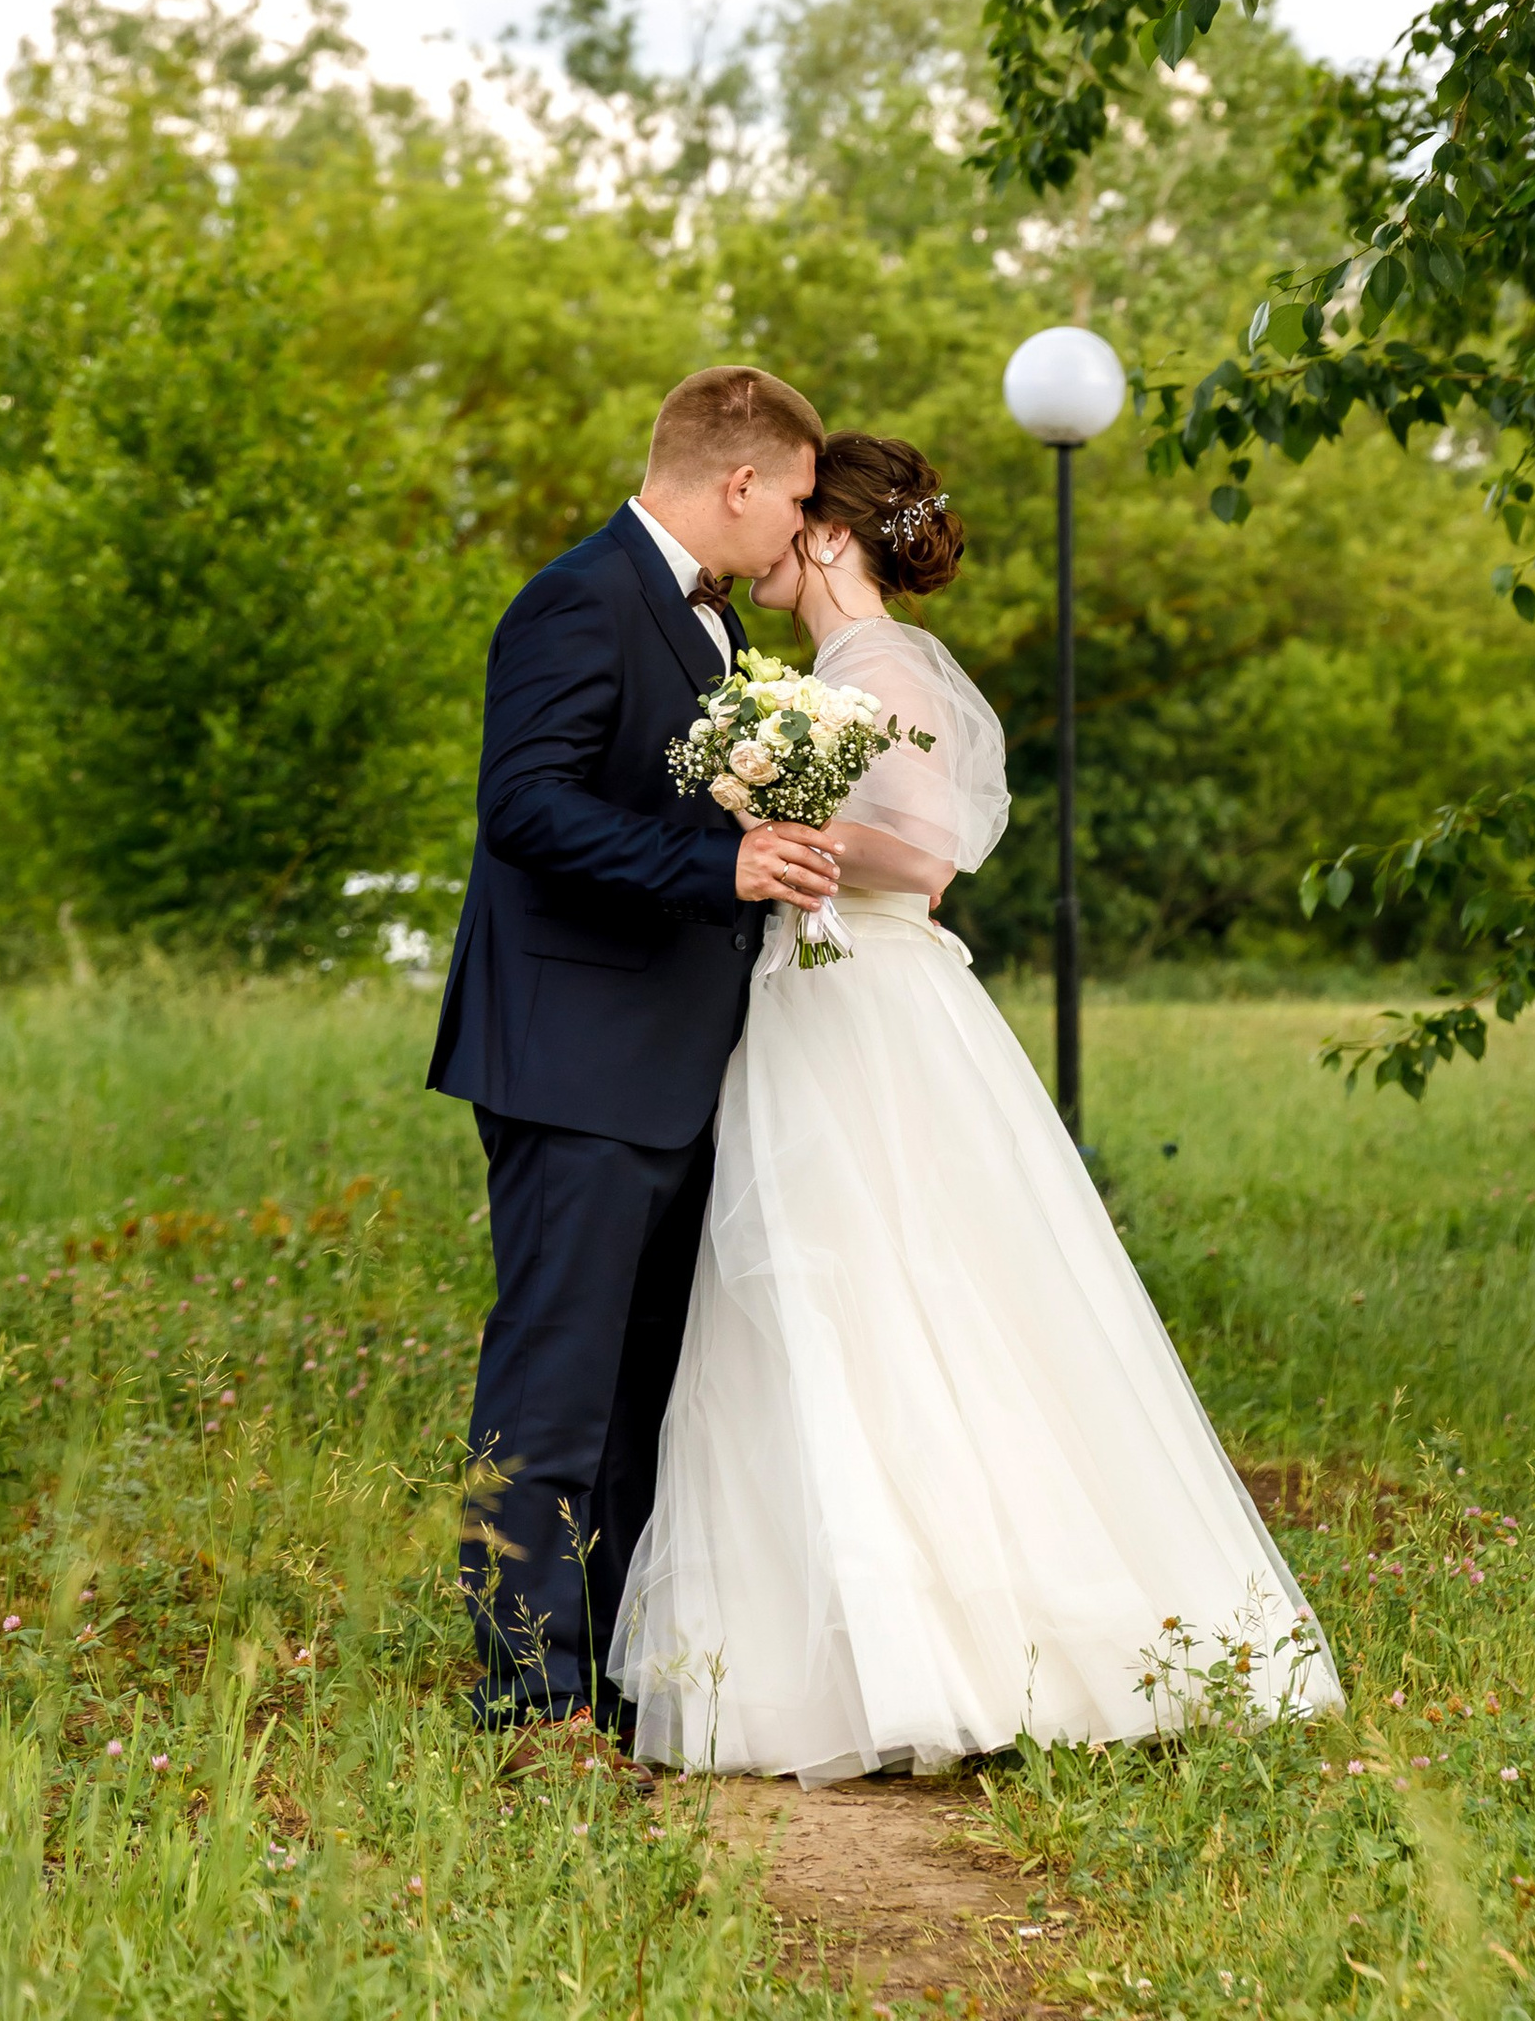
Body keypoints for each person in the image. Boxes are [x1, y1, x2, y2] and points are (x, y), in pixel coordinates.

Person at [612, 431, 1342, 1782]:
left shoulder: (874, 671)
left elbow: (928, 859)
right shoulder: (839, 674)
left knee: (870, 1289)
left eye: (789, 523)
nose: (766, 544)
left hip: (862, 1008)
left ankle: (948, 1648)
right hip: (821, 996)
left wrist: (770, 820)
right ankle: (846, 1648)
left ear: (828, 536)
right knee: (826, 1295)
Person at [427, 364, 844, 1739]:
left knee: (637, 1395)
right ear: (736, 482)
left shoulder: (708, 622)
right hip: (574, 1057)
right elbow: (525, 811)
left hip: (673, 1064)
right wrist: (716, 865)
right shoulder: (578, 596)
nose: (797, 526)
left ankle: (599, 1680)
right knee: (554, 1390)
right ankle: (521, 1696)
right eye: (791, 496)